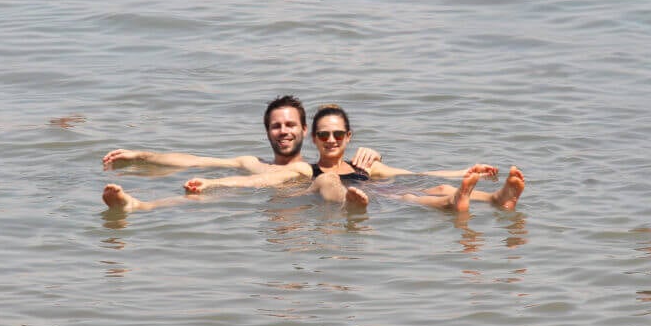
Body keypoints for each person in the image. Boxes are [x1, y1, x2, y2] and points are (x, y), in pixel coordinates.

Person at [183, 104, 525, 213]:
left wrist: (466, 170)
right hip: (342, 200)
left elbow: (415, 173)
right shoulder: (307, 167)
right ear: (313, 138)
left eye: (337, 135)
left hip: (374, 198)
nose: (330, 140)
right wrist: (213, 182)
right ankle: (350, 204)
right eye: (323, 135)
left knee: (427, 189)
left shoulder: (365, 166)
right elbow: (259, 181)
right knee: (327, 180)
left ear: (348, 138)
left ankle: (492, 199)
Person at [102, 96, 380, 212]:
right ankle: (139, 206)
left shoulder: (314, 170)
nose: (283, 131)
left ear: (305, 130)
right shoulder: (252, 164)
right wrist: (140, 155)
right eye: (276, 126)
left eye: (290, 125)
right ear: (267, 131)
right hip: (261, 205)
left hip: (305, 209)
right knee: (202, 197)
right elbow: (194, 160)